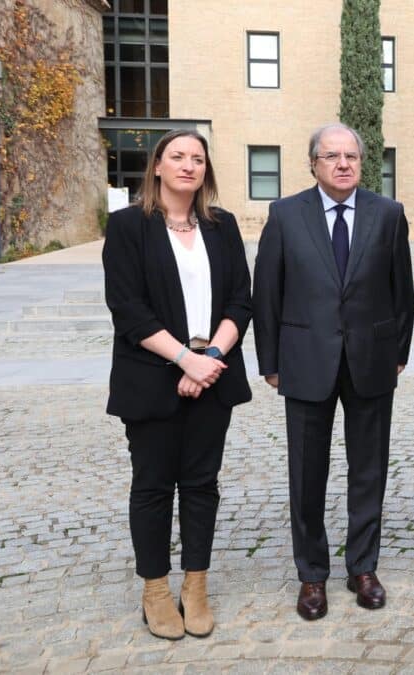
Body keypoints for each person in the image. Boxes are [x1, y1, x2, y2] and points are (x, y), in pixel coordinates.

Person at [252, 123, 414, 621]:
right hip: (304, 362)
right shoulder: (284, 215)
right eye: (332, 156)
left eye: (351, 157)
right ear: (313, 163)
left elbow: (402, 290)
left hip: (370, 361)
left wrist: (398, 352)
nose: (343, 164)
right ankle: (312, 575)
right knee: (307, 474)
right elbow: (267, 294)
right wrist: (271, 363)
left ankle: (362, 568)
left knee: (369, 471)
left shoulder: (387, 215)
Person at [102, 129, 252, 640]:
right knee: (151, 487)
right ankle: (156, 591)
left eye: (198, 159)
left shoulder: (222, 225)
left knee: (201, 485)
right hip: (150, 378)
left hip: (214, 374)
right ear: (158, 167)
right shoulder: (127, 227)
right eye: (178, 157)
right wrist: (185, 360)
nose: (189, 165)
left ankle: (196, 585)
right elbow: (128, 309)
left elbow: (241, 300)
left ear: (205, 170)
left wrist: (209, 358)